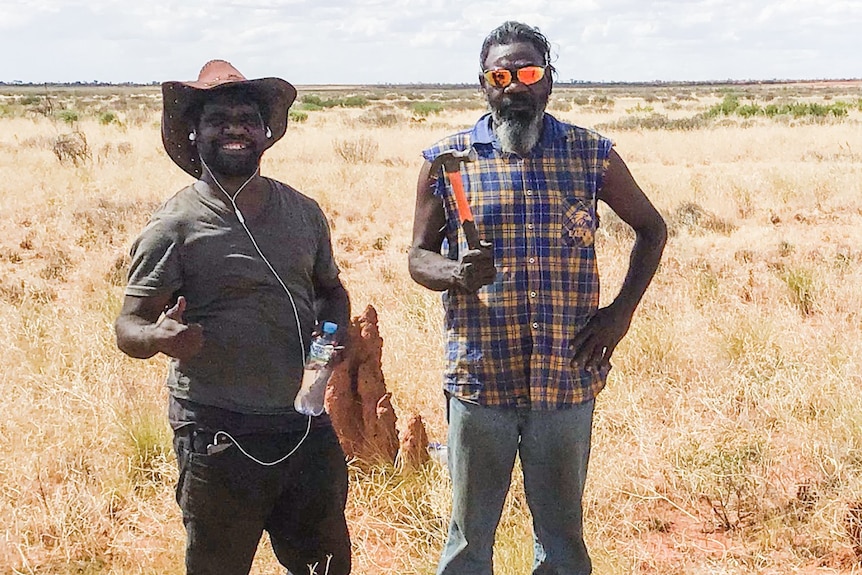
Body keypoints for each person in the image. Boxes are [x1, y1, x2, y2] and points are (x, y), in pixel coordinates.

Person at [408, 22, 668, 575]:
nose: (515, 85)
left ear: (549, 82)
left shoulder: (590, 155)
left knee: (562, 538)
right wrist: (455, 273)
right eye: (501, 75)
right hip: (481, 377)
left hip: (565, 375)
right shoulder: (448, 161)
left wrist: (619, 316)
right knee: (468, 535)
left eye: (528, 73)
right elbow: (417, 258)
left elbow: (652, 228)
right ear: (484, 85)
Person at [114, 60, 352, 575]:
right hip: (218, 434)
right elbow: (127, 327)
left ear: (266, 133)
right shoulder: (174, 226)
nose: (235, 128)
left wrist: (332, 339)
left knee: (328, 566)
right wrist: (158, 336)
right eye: (219, 119)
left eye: (247, 118)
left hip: (304, 424)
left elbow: (332, 291)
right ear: (195, 133)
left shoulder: (303, 212)